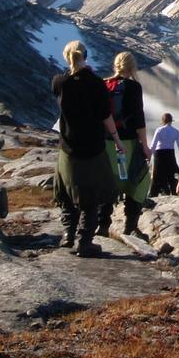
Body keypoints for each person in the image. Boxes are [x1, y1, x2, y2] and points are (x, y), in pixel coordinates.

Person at [51, 40, 120, 257]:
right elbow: (105, 116)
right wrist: (117, 140)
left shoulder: (59, 82)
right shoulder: (96, 83)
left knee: (67, 192)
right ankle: (85, 241)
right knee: (91, 196)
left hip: (68, 146)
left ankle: (68, 235)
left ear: (66, 57)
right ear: (86, 55)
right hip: (93, 147)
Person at [98, 51, 152, 240]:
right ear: (132, 67)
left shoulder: (104, 85)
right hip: (127, 141)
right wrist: (145, 145)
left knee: (107, 181)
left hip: (105, 142)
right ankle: (130, 227)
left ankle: (102, 224)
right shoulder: (133, 87)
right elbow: (138, 118)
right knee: (138, 181)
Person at [149, 112, 179, 196]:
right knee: (171, 174)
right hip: (170, 154)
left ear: (163, 121)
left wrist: (149, 156)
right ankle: (174, 192)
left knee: (157, 175)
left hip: (159, 154)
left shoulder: (159, 130)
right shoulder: (176, 131)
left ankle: (153, 193)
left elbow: (153, 145)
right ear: (171, 121)